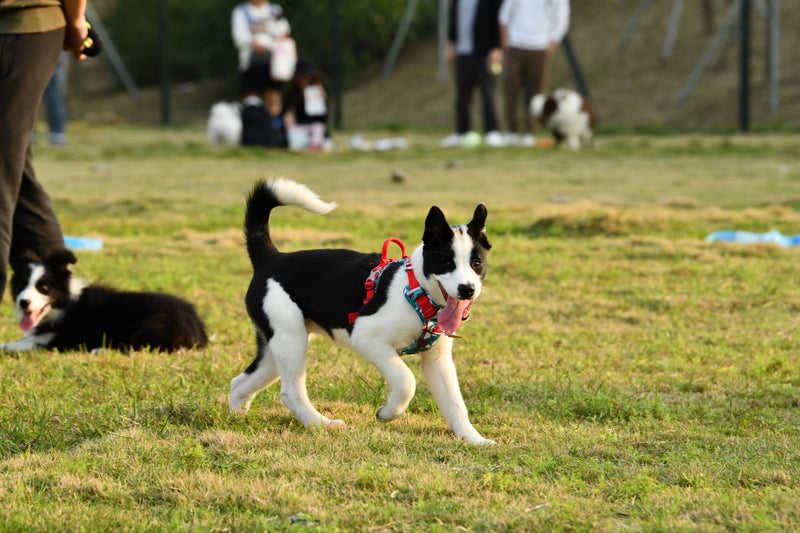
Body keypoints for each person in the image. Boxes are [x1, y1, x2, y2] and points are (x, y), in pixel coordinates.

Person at [0, 0, 90, 304]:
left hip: (26, 22)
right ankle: (60, 301)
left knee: (3, 164)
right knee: (12, 163)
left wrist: (76, 20)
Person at [499, 0, 570, 147]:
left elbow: (561, 20)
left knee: (536, 94)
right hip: (516, 45)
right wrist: (506, 40)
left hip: (540, 47)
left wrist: (552, 44)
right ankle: (511, 131)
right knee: (510, 89)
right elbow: (504, 15)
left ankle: (530, 132)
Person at [440, 0, 504, 148]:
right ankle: (461, 132)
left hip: (485, 53)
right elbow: (454, 21)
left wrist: (497, 47)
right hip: (463, 53)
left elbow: (497, 21)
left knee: (488, 94)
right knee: (462, 96)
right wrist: (451, 44)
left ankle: (492, 131)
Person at [231, 0, 291, 120]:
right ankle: (253, 128)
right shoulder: (240, 12)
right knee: (250, 100)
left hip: (273, 61)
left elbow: (284, 30)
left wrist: (260, 28)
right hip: (249, 62)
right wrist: (254, 43)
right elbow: (239, 36)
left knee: (273, 97)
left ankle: (275, 130)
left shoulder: (275, 9)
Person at [42, 51, 70, 146]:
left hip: (52, 57)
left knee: (53, 98)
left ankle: (57, 135)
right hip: (52, 56)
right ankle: (57, 135)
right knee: (54, 97)